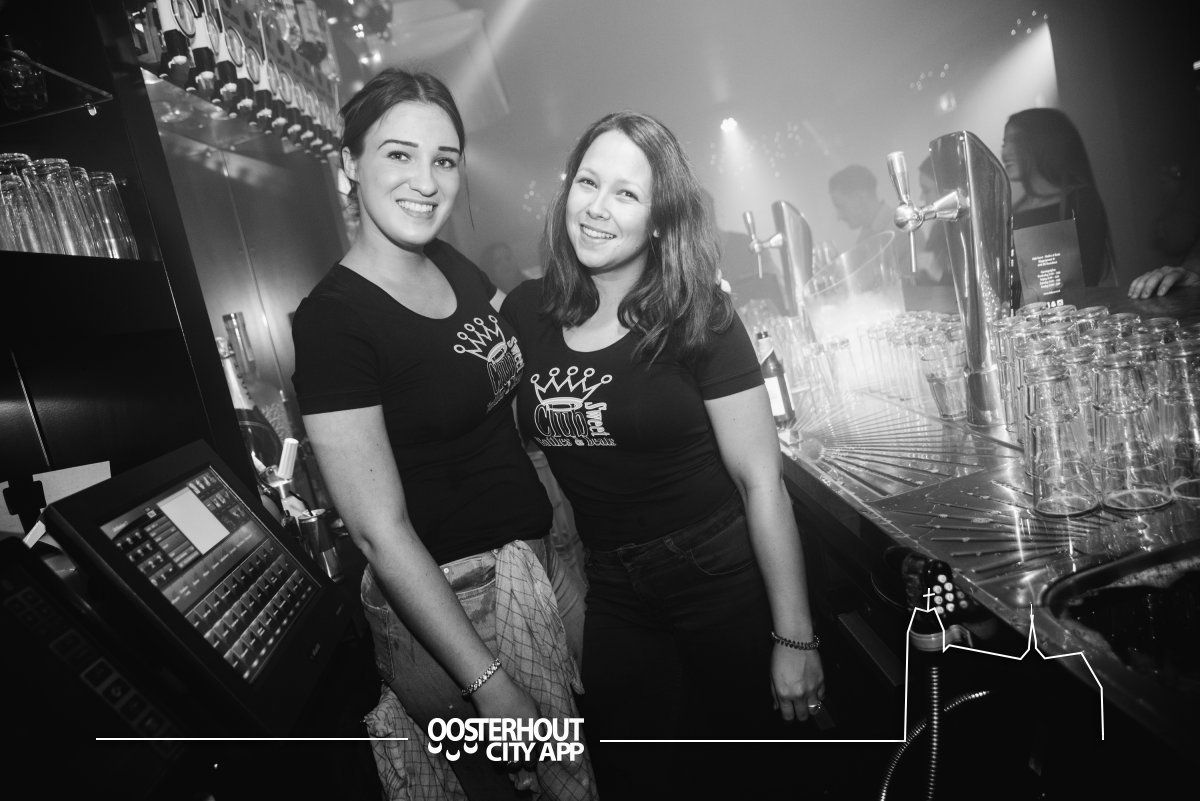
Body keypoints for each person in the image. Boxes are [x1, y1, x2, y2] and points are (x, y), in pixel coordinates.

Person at [290, 68, 595, 801]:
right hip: (460, 613)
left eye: (445, 160)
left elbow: (530, 352)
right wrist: (489, 687)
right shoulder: (334, 321)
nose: (426, 182)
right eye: (398, 154)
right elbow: (379, 532)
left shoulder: (448, 264)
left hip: (540, 564)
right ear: (348, 164)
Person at [501, 111, 825, 798]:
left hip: (715, 572)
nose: (597, 207)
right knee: (633, 773)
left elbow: (761, 481)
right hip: (612, 583)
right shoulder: (527, 313)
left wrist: (796, 638)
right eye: (588, 182)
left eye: (626, 193)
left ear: (658, 220)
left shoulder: (698, 314)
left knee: (754, 776)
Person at [1002, 107, 1117, 287]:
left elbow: (1089, 275)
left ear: (1042, 142)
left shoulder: (1080, 200)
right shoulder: (1011, 213)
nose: (1005, 152)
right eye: (1004, 143)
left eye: (1015, 140)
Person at [1129, 151, 1200, 298]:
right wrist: (1191, 273)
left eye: (1164, 182)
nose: (1160, 187)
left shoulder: (1186, 208)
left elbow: (1177, 241)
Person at [829, 163, 894, 244]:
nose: (839, 217)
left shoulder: (900, 228)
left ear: (859, 198)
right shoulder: (864, 239)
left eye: (841, 206)